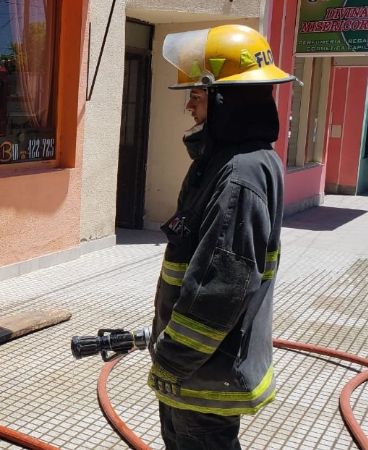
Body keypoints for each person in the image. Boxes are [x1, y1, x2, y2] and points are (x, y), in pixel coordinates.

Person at [148, 24, 295, 449]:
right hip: (205, 368)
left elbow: (222, 286)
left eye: (197, 94)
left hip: (203, 376)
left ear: (224, 99)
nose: (189, 106)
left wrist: (171, 359)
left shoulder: (239, 174)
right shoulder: (241, 160)